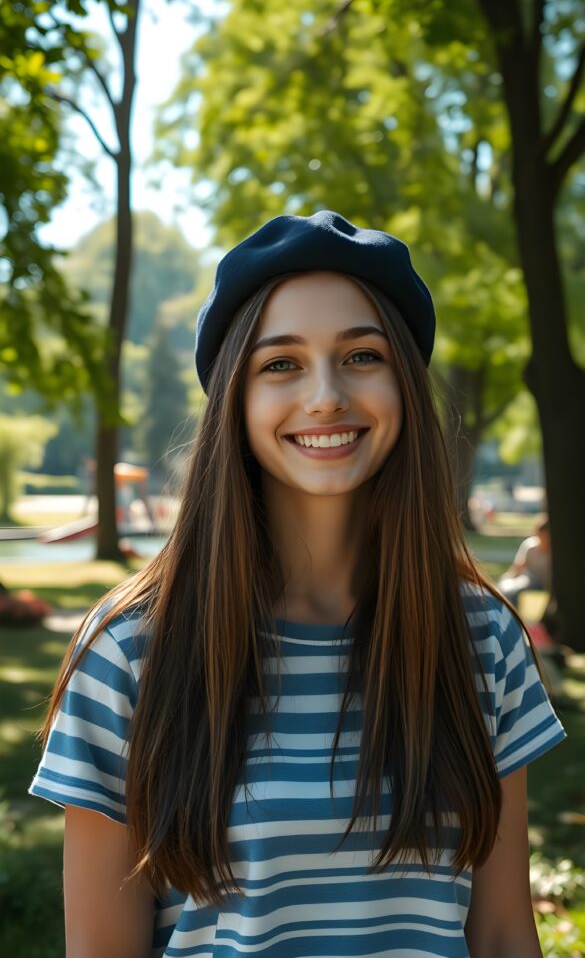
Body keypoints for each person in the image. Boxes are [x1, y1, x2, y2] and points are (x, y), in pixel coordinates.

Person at [30, 211, 565, 958]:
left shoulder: (485, 639)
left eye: (362, 356)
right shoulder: (128, 650)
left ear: (406, 386)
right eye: (280, 364)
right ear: (235, 398)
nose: (325, 396)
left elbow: (504, 935)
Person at [498, 517, 552, 609]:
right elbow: (518, 567)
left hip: (549, 582)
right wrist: (506, 579)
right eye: (541, 535)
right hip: (531, 581)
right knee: (510, 590)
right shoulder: (530, 546)